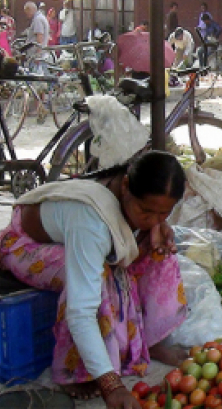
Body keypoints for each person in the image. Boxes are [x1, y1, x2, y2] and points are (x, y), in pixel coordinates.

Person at [0, 151, 188, 407]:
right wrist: (111, 384)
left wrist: (157, 228)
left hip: (79, 240)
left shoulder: (132, 190)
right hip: (25, 246)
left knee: (160, 252)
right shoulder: (91, 221)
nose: (153, 220)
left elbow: (144, 223)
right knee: (100, 277)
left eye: (162, 214)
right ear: (125, 188)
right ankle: (74, 371)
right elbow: (80, 310)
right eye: (146, 211)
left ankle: (146, 341)